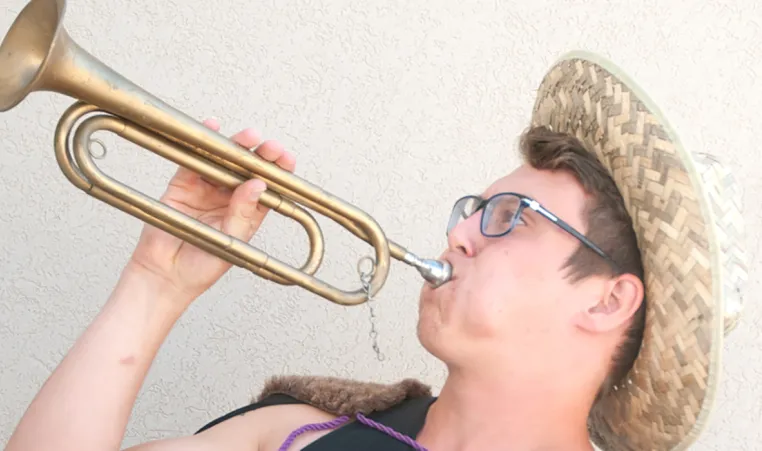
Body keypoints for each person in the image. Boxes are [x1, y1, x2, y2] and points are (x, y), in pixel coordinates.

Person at [3, 52, 747, 451]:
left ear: (608, 299)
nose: (459, 233)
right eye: (474, 209)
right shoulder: (299, 433)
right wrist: (153, 284)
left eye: (511, 218)